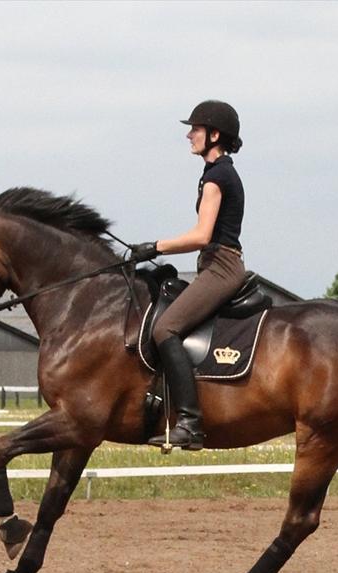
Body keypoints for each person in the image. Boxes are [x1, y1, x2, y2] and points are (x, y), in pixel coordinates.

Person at [128, 100, 247, 451]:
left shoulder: (217, 176)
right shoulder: (216, 172)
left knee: (165, 328)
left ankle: (191, 423)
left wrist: (156, 246)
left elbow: (201, 236)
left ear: (214, 134)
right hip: (213, 264)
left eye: (195, 129)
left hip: (222, 266)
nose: (189, 135)